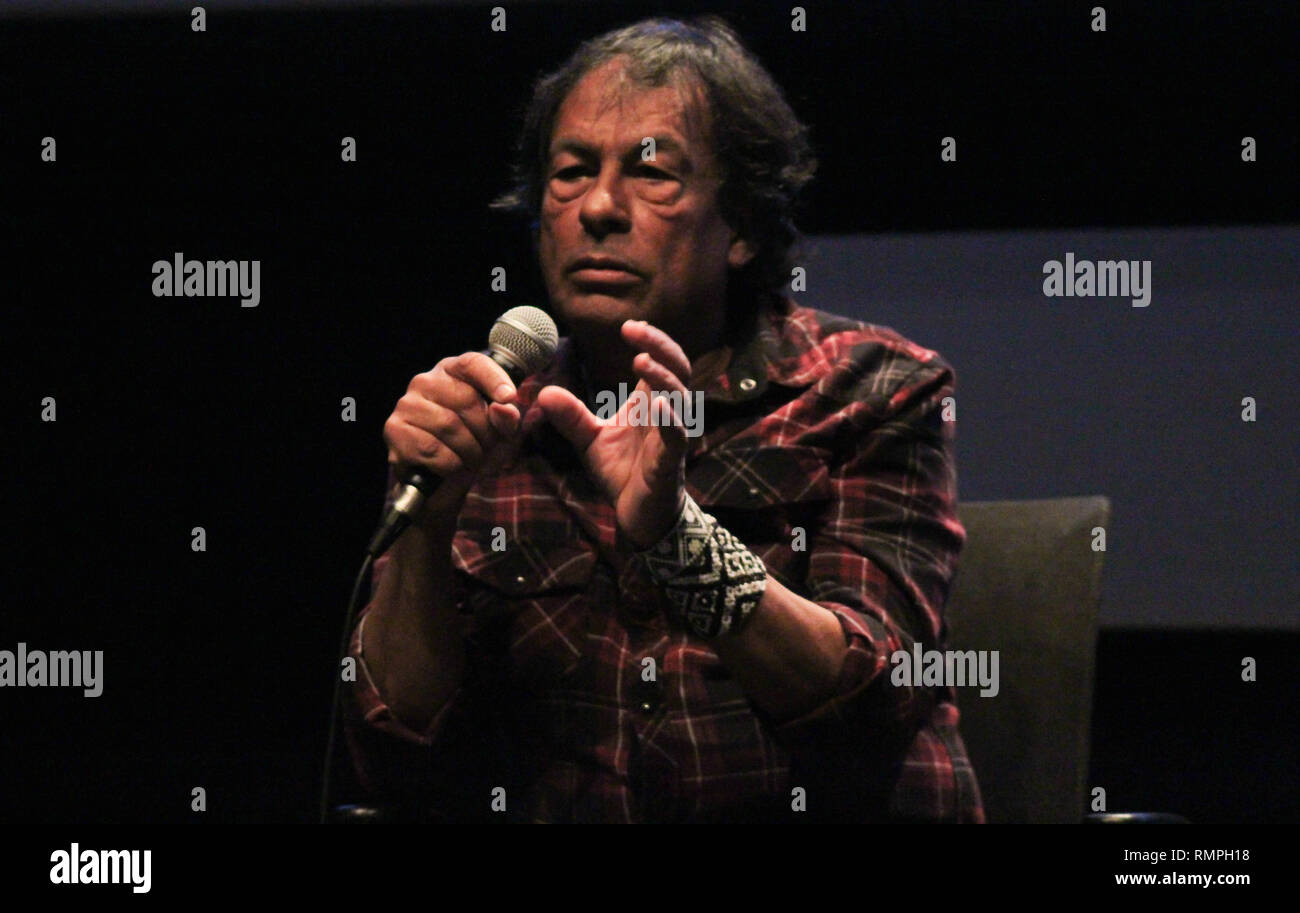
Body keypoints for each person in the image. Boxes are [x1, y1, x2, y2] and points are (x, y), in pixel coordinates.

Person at [345, 16, 984, 823]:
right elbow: (392, 748)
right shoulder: (489, 420)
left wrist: (679, 540)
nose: (600, 207)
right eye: (571, 172)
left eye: (652, 175)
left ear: (744, 227)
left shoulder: (873, 390)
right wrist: (425, 530)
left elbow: (871, 694)